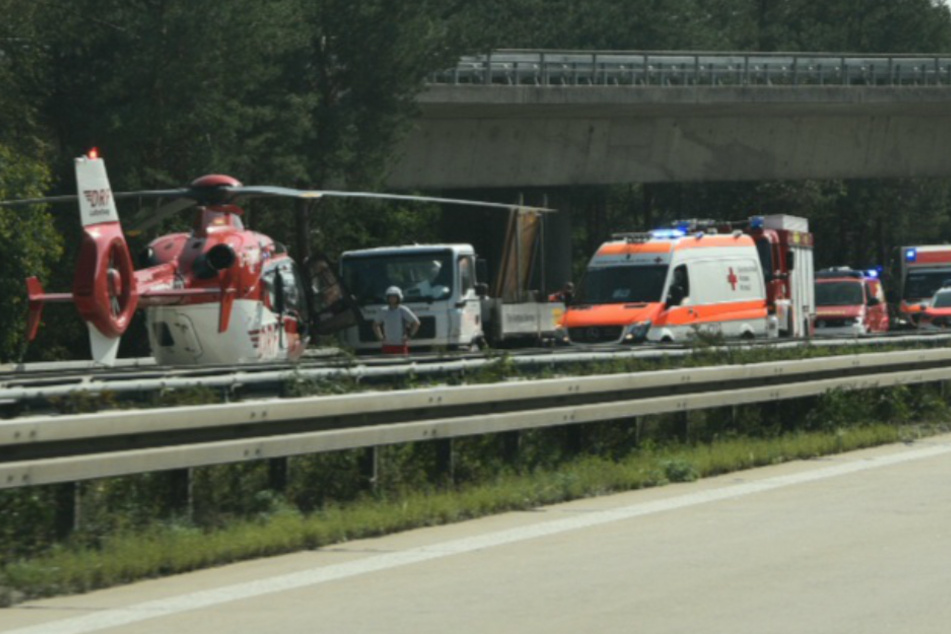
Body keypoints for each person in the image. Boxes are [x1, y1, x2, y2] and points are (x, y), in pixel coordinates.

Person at [373, 286, 420, 354]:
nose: (392, 299)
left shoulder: (403, 310)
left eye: (394, 297)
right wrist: (381, 337)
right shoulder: (383, 310)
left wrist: (409, 336)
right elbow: (375, 325)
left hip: (400, 345)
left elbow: (416, 323)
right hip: (387, 345)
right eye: (390, 297)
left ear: (399, 297)